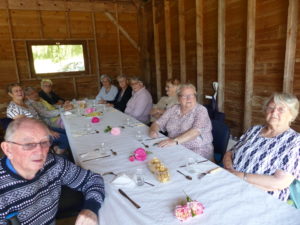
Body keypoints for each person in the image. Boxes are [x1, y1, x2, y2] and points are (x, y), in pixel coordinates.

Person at [0, 118, 105, 225]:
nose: (40, 151)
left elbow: (92, 180)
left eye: (44, 142)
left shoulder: (54, 163)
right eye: (28, 144)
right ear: (8, 149)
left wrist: (91, 209)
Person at [223, 93, 300, 202]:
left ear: (292, 115)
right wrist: (229, 170)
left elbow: (279, 182)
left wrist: (241, 176)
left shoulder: (295, 142)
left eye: (281, 109)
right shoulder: (254, 130)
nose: (274, 112)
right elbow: (230, 152)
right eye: (271, 107)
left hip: (262, 199)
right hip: (231, 184)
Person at [149, 83, 213, 160]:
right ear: (178, 98)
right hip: (174, 147)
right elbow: (158, 123)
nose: (189, 99)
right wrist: (153, 131)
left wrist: (174, 141)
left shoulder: (201, 110)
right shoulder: (174, 109)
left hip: (198, 150)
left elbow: (195, 131)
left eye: (192, 95)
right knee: (153, 158)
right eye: (185, 96)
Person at [6, 83, 69, 153]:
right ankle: (58, 156)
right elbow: (26, 127)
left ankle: (55, 149)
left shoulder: (26, 104)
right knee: (65, 139)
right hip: (33, 135)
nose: (19, 92)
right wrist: (48, 131)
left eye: (20, 90)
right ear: (11, 94)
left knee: (67, 133)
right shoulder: (14, 109)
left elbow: (37, 119)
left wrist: (47, 128)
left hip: (42, 127)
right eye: (16, 91)